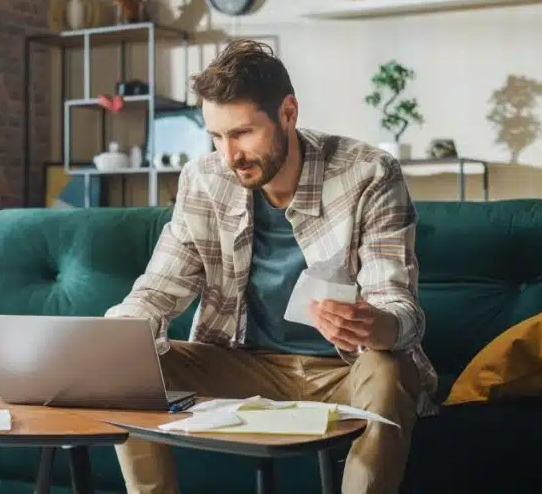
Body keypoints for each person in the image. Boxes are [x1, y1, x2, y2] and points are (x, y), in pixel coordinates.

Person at [104, 39, 438, 494]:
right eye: (216, 137)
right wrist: (115, 335)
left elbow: (400, 308)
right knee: (126, 365)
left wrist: (372, 324)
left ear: (288, 113)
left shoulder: (369, 174)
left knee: (390, 370)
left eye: (242, 133)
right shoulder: (203, 179)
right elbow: (158, 289)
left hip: (342, 370)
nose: (229, 155)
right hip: (243, 365)